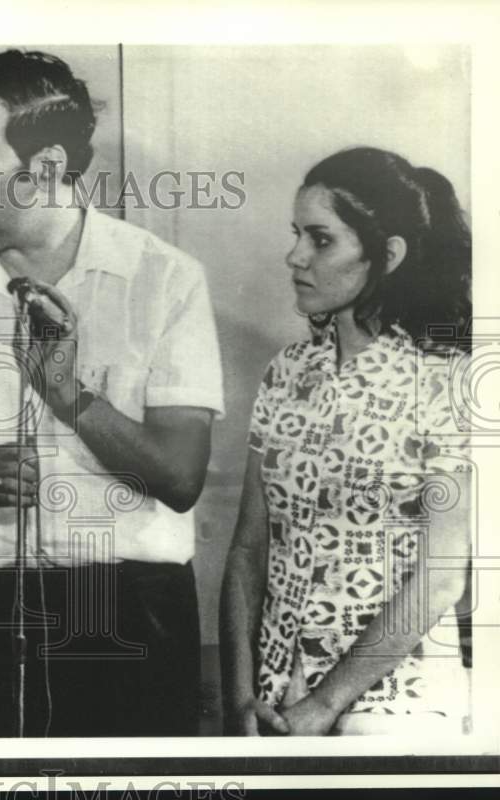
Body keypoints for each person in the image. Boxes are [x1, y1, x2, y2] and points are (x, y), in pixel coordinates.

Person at [0, 50, 224, 736]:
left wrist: (69, 397)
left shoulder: (165, 279)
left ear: (45, 169)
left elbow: (181, 477)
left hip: (133, 608)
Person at [220, 147, 473, 736]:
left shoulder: (446, 379)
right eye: (296, 235)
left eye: (321, 240)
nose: (295, 256)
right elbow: (248, 550)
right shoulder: (286, 372)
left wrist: (327, 704)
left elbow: (441, 573)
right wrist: (240, 698)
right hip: (275, 699)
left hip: (398, 708)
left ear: (388, 255)